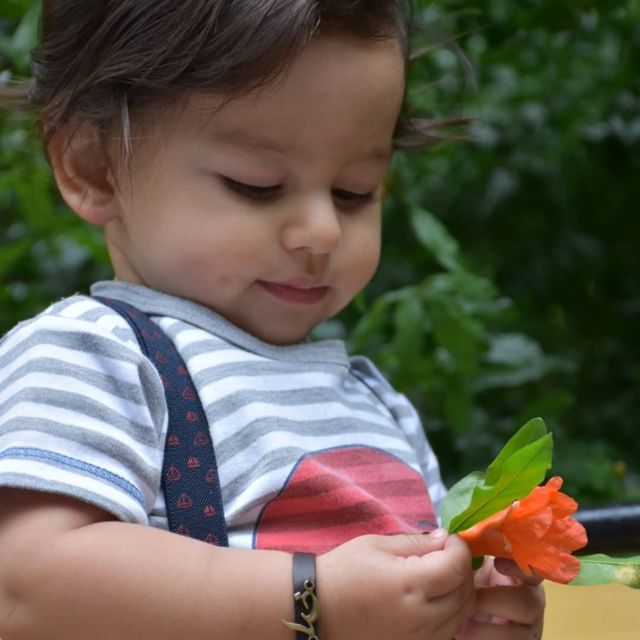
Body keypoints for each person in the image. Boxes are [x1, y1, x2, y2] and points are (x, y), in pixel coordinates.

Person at [0, 1, 545, 639]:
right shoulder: (95, 355)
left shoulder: (375, 404)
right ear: (93, 168)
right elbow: (24, 587)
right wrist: (315, 601)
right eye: (256, 185)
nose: (322, 230)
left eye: (354, 191)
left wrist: (466, 612)